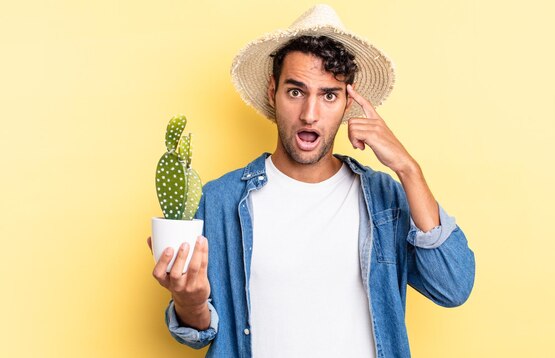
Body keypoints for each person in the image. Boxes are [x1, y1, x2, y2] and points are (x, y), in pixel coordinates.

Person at [148, 4, 475, 357]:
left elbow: (452, 286)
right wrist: (190, 301)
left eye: (329, 95)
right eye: (295, 91)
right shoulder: (222, 200)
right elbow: (197, 332)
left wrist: (409, 170)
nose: (310, 114)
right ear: (273, 90)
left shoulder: (385, 199)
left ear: (348, 101)